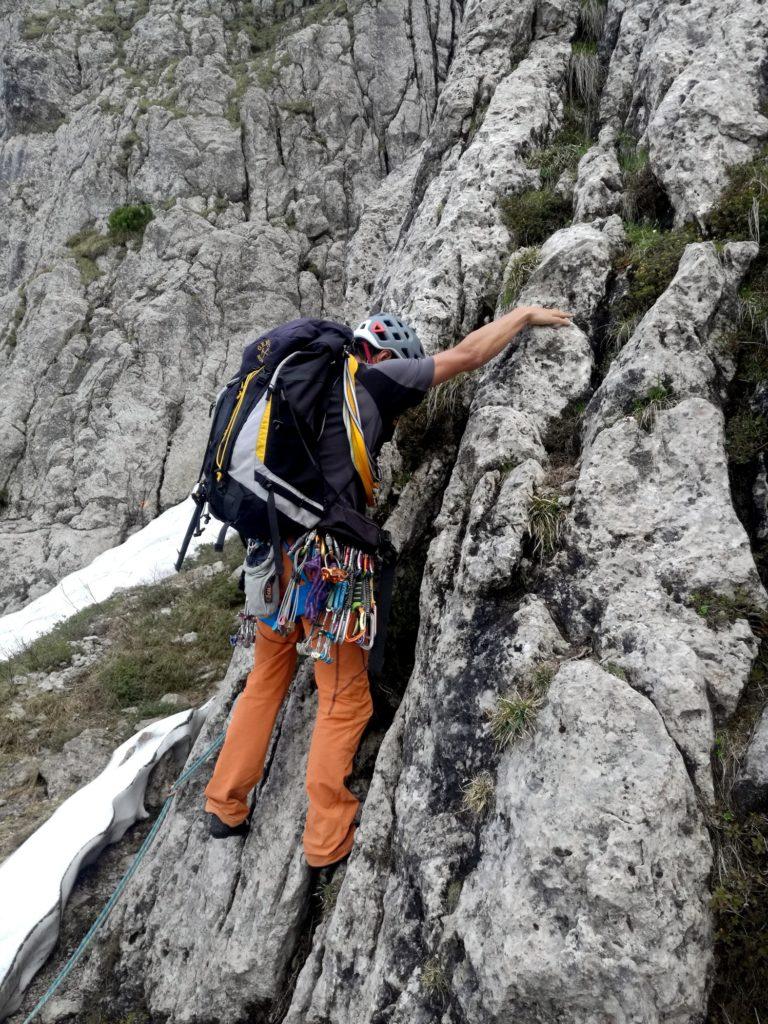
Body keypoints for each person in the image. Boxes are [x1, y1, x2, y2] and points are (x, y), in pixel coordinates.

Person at [202, 303, 573, 869]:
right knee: (344, 697)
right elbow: (469, 355)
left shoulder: (305, 386)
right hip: (327, 566)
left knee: (264, 682)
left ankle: (223, 805)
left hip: (271, 554)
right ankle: (326, 841)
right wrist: (521, 316)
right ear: (384, 353)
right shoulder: (375, 377)